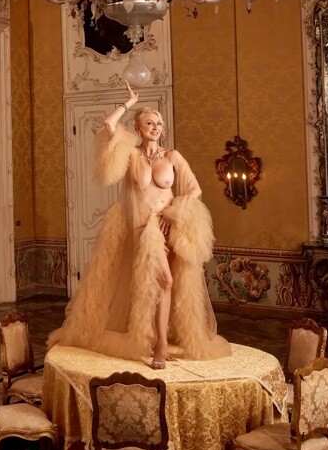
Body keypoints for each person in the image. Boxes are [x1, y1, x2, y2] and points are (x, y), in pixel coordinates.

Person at [47, 83, 230, 368]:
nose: (155, 127)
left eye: (159, 123)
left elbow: (194, 190)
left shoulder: (172, 156)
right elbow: (109, 124)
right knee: (164, 280)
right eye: (149, 123)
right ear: (138, 128)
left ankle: (160, 340)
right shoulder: (131, 155)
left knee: (168, 283)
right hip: (143, 228)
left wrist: (174, 213)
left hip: (170, 226)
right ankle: (160, 345)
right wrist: (129, 102)